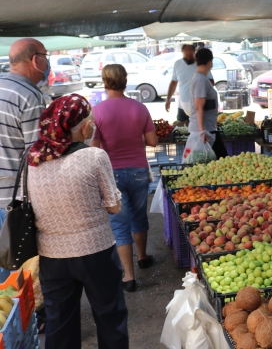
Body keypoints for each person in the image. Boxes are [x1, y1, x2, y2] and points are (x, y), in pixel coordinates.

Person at [26, 95, 129, 349]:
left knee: (60, 325)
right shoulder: (94, 156)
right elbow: (114, 207)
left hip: (52, 256)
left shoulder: (35, 159)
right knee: (110, 318)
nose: (93, 124)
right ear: (83, 127)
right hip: (96, 252)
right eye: (91, 120)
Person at [92, 64, 158, 292]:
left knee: (120, 225)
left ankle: (128, 277)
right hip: (139, 170)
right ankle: (142, 257)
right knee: (139, 216)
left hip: (112, 175)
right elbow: (153, 141)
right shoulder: (139, 108)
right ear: (125, 80)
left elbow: (94, 148)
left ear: (104, 81)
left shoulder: (97, 111)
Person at [0, 38, 48, 211]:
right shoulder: (29, 96)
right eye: (46, 56)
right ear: (36, 60)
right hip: (13, 200)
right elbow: (35, 155)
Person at [190, 48, 227, 158]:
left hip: (208, 128)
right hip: (205, 131)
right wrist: (202, 132)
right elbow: (198, 106)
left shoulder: (200, 78)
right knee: (222, 161)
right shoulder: (200, 79)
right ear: (210, 62)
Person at [165, 44, 214, 124]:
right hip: (182, 107)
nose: (188, 58)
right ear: (182, 53)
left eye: (190, 56)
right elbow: (174, 82)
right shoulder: (177, 64)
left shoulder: (200, 64)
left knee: (198, 130)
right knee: (181, 132)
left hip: (199, 106)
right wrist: (168, 99)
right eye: (186, 56)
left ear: (194, 53)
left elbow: (211, 82)